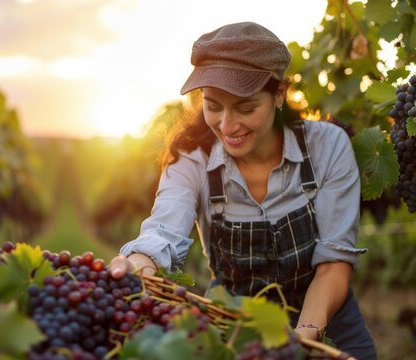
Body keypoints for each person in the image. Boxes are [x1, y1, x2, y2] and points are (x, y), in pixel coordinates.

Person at [109, 22, 377, 359]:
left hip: (330, 325)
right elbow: (164, 228)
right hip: (234, 328)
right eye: (213, 106)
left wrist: (303, 340)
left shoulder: (327, 146)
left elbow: (334, 262)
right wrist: (137, 262)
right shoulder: (191, 160)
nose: (227, 125)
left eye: (246, 108)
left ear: (279, 94)